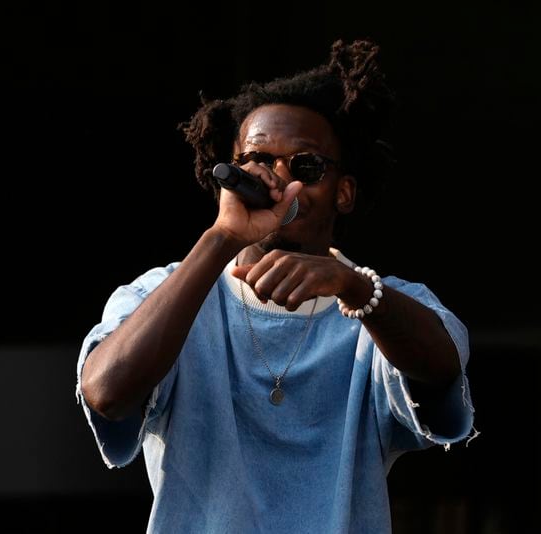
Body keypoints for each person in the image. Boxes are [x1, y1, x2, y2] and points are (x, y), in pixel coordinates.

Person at [75, 39, 475, 533]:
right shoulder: (162, 295)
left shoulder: (379, 305)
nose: (280, 182)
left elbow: (441, 366)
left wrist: (354, 288)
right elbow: (105, 391)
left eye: (305, 167)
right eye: (258, 162)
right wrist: (222, 238)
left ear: (343, 192)